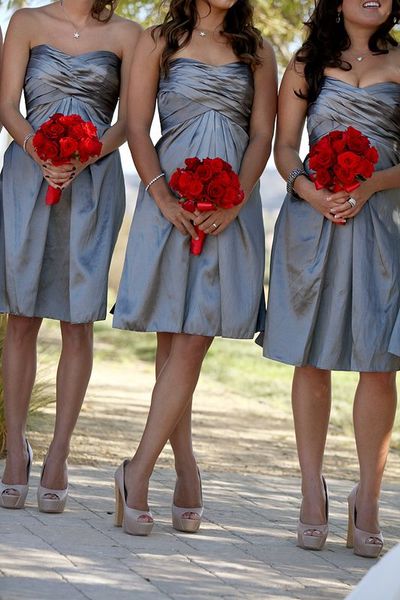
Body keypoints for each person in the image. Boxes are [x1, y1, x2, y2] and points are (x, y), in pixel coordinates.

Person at [112, 0, 277, 535]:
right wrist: (161, 199)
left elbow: (260, 137)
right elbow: (136, 125)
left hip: (231, 206)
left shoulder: (258, 51)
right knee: (171, 340)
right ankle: (184, 468)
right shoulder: (157, 40)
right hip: (170, 198)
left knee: (195, 336)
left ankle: (136, 473)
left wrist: (237, 198)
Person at [262, 0, 400, 557]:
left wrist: (371, 185)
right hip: (311, 220)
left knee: (378, 360)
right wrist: (312, 192)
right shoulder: (306, 65)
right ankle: (311, 491)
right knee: (311, 354)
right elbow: (285, 148)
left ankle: (367, 496)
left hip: (383, 221)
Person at [0, 0, 140, 513]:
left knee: (77, 319)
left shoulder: (130, 34)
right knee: (21, 316)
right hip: (26, 172)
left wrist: (85, 154)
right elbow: (7, 105)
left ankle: (59, 454)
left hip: (96, 177)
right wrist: (39, 149)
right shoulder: (26, 22)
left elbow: (132, 119)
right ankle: (17, 452)